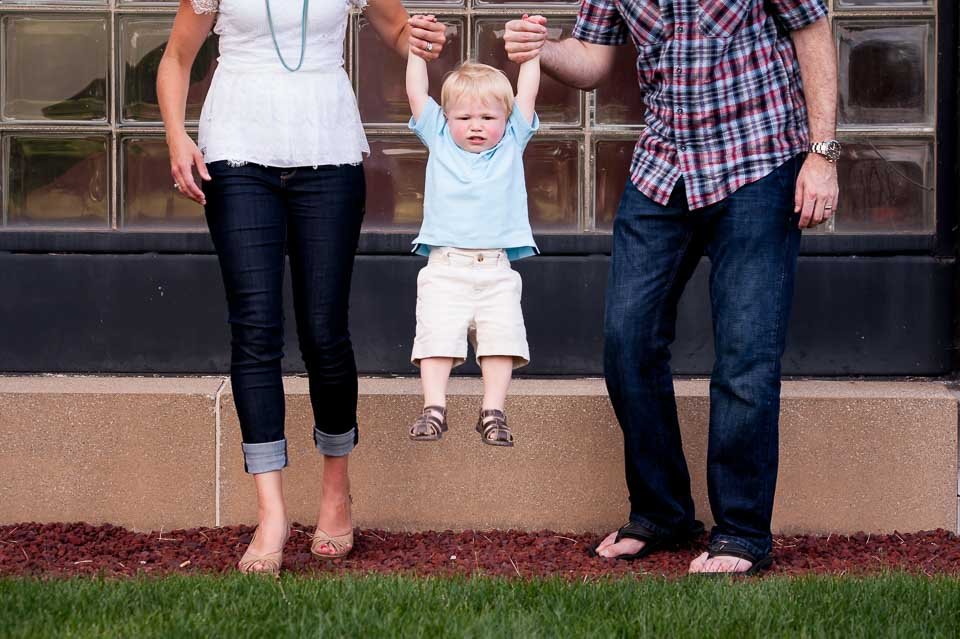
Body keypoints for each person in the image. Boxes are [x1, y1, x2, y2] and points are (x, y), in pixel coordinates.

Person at [504, 0, 839, 574]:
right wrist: (542, 49)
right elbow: (591, 59)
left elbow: (812, 28)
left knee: (745, 357)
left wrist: (822, 153)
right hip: (664, 166)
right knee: (627, 340)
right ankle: (662, 512)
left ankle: (741, 532)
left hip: (757, 160)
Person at [157, 0, 446, 574]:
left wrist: (424, 36)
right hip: (236, 154)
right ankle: (272, 513)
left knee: (324, 332)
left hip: (328, 149)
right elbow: (175, 57)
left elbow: (396, 29)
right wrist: (175, 138)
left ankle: (336, 491)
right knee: (256, 328)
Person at [404, 15, 543, 448]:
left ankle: (493, 410)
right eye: (464, 116)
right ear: (447, 117)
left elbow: (527, 92)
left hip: (496, 267)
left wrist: (531, 55)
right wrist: (415, 52)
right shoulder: (439, 137)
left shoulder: (512, 141)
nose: (477, 125)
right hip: (445, 264)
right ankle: (434, 407)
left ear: (506, 119)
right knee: (436, 338)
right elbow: (415, 92)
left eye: (488, 116)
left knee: (500, 338)